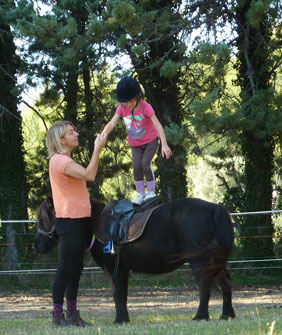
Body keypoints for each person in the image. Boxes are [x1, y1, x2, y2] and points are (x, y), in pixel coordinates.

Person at [46, 121, 107, 327]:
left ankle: (72, 314)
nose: (76, 134)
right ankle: (57, 317)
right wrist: (97, 148)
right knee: (65, 269)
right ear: (60, 140)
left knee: (76, 268)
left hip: (79, 221)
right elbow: (89, 175)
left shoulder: (64, 160)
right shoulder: (60, 161)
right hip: (70, 222)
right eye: (71, 132)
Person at [101, 77, 172, 205]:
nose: (129, 104)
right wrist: (104, 133)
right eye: (126, 102)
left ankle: (150, 192)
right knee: (136, 166)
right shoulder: (122, 107)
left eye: (131, 100)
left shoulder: (146, 107)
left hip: (151, 140)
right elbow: (112, 122)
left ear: (139, 95)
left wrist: (165, 145)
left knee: (145, 163)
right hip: (135, 144)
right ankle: (141, 194)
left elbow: (158, 126)